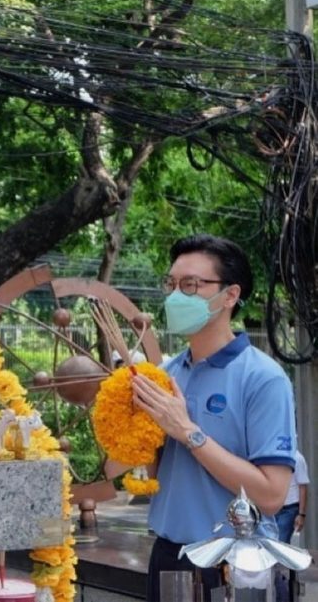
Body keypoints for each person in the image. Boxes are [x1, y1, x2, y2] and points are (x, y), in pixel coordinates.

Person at [131, 234, 296, 602]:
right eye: (171, 284)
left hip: (236, 566)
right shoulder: (166, 373)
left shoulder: (263, 378)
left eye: (191, 285)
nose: (176, 296)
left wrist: (188, 431)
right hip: (170, 555)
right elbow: (149, 474)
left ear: (230, 295)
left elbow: (271, 496)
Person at [275, 449, 309, 543]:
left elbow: (303, 487)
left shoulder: (297, 458)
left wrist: (301, 514)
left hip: (289, 508)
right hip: (274, 507)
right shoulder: (275, 457)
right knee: (272, 542)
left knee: (281, 542)